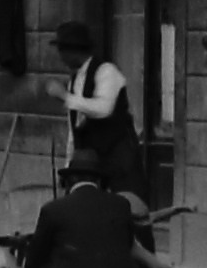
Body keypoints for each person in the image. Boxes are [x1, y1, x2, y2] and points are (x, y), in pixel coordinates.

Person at [15, 155, 152, 268]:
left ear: (68, 182)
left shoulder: (53, 209)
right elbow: (126, 245)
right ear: (99, 181)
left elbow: (33, 263)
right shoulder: (121, 205)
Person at [52, 20, 147, 201]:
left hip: (119, 162)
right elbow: (74, 131)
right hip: (92, 167)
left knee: (128, 210)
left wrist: (65, 97)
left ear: (72, 51)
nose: (60, 58)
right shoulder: (75, 81)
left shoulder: (106, 72)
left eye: (61, 51)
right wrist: (68, 167)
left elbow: (103, 109)